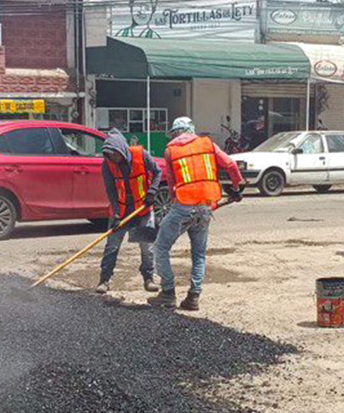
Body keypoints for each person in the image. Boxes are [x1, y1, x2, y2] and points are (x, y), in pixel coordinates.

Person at [148, 116, 244, 311]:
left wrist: (175, 205)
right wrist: (236, 187)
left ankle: (168, 293)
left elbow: (173, 183)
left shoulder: (171, 150)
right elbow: (231, 166)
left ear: (175, 133)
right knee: (199, 253)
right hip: (206, 205)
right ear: (191, 130)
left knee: (160, 248)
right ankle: (193, 297)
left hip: (183, 204)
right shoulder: (208, 144)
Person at [97, 128, 160, 294]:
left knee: (146, 246)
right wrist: (117, 213)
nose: (113, 158)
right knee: (112, 245)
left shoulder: (141, 155)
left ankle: (149, 278)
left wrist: (152, 192)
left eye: (115, 154)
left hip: (142, 210)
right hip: (122, 211)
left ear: (123, 149)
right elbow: (111, 190)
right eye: (110, 155)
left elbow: (158, 172)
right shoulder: (108, 165)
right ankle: (105, 279)